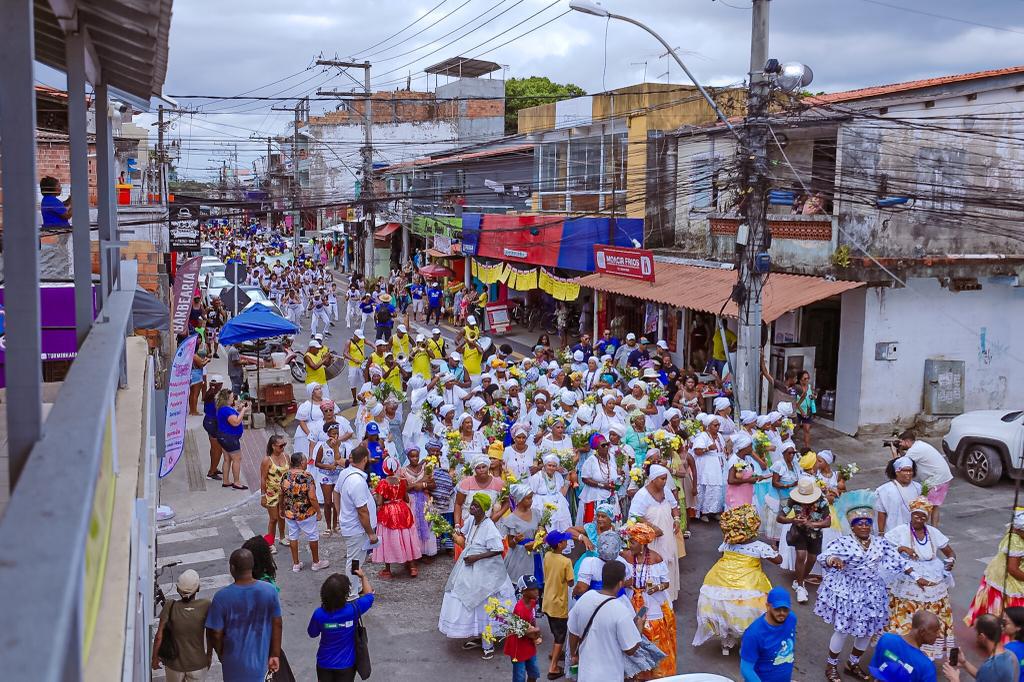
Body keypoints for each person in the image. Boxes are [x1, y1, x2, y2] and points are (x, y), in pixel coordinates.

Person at [816, 490, 927, 682]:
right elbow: (824, 556)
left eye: (868, 523)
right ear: (852, 526)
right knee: (842, 629)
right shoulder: (844, 542)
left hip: (872, 592)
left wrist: (917, 577)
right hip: (848, 590)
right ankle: (831, 666)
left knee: (868, 629)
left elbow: (897, 559)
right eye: (860, 523)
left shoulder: (879, 543)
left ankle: (852, 662)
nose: (865, 526)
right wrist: (833, 559)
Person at [694, 504, 782, 656]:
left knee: (726, 610)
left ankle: (726, 643)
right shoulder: (759, 546)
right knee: (752, 612)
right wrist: (773, 551)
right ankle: (748, 645)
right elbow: (778, 560)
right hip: (748, 584)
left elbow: (722, 553)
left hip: (719, 580)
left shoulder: (727, 544)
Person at [438, 492, 515, 660]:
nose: (471, 507)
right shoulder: (472, 521)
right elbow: (463, 536)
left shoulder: (489, 527)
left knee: (486, 602)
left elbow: (497, 549)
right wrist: (446, 528)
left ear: (483, 510)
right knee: (471, 601)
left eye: (475, 506)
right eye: (472, 504)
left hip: (486, 570)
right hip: (469, 566)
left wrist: (476, 557)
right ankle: (479, 635)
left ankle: (488, 643)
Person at [885, 497, 957, 660]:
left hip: (933, 577)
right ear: (911, 515)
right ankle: (902, 652)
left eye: (923, 517)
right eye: (916, 516)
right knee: (907, 617)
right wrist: (901, 548)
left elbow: (950, 552)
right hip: (907, 578)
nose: (919, 520)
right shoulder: (900, 531)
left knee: (931, 616)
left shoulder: (933, 532)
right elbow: (885, 549)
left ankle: (925, 653)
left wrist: (950, 562)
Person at [205, 548, 282, 682]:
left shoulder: (221, 598)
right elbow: (277, 624)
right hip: (260, 664)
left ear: (232, 568)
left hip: (233, 665)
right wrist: (275, 654)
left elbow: (216, 634)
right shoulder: (269, 591)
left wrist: (221, 653)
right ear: (252, 566)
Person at [567, 561, 642, 682]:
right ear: (621, 583)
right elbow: (630, 649)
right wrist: (639, 627)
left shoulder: (586, 598)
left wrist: (573, 654)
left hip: (586, 673)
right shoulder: (621, 611)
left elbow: (573, 631)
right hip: (610, 675)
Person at [623, 522, 676, 678]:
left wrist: (654, 589)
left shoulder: (655, 558)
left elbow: (666, 583)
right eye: (629, 541)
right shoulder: (626, 556)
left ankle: (654, 674)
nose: (629, 545)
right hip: (631, 600)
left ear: (642, 543)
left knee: (653, 635)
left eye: (632, 542)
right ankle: (635, 673)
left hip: (652, 603)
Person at [307, 570, 375, 682]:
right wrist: (363, 577)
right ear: (345, 594)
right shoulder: (353, 610)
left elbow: (312, 633)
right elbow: (369, 596)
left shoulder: (319, 614)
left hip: (324, 663)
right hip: (347, 665)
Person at [628, 464, 683, 601]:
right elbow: (633, 517)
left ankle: (669, 597)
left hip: (668, 536)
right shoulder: (641, 496)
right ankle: (653, 599)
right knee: (655, 567)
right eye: (662, 479)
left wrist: (676, 519)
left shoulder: (666, 491)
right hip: (651, 540)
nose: (665, 482)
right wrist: (651, 527)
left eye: (665, 479)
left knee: (669, 563)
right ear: (653, 479)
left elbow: (674, 506)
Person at [776, 477, 831, 604]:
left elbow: (828, 522)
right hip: (799, 532)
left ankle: (800, 579)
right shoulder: (792, 500)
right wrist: (792, 520)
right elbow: (779, 517)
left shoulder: (822, 501)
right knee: (801, 556)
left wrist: (813, 524)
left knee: (812, 558)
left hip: (815, 534)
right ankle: (800, 587)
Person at [966, 508, 1024, 626]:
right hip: (1008, 579)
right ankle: (996, 634)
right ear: (1019, 530)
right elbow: (1013, 569)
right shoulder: (1015, 541)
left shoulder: (1018, 533)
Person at [152, 569, 212, 681]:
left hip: (174, 666)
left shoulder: (169, 606)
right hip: (197, 665)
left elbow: (159, 636)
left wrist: (155, 658)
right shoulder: (206, 605)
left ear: (178, 589)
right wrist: (209, 655)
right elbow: (210, 634)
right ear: (198, 588)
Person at [371, 456, 423, 578]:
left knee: (387, 538)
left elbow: (379, 502)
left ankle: (388, 569)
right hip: (403, 510)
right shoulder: (402, 481)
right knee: (407, 537)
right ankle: (413, 567)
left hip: (388, 512)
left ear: (384, 468)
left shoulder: (382, 483)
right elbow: (406, 498)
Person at [337, 444, 379, 585]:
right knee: (354, 561)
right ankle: (352, 591)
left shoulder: (346, 474)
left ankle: (357, 587)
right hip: (357, 530)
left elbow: (336, 493)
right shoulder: (357, 481)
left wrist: (339, 514)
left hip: (352, 526)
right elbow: (362, 511)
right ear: (365, 459)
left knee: (355, 561)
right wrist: (371, 533)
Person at [281, 451, 329, 573]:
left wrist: (282, 509)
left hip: (290, 512)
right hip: (305, 512)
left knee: (293, 536)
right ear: (301, 462)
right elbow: (312, 497)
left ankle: (296, 564)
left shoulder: (285, 476)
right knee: (312, 535)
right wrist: (318, 511)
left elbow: (282, 494)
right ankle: (316, 562)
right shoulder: (307, 477)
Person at [739, 587, 797, 682]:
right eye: (777, 609)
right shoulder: (753, 634)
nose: (782, 613)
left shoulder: (791, 619)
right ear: (768, 606)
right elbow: (746, 669)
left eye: (785, 609)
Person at [897, 430, 954, 526]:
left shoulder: (914, 450)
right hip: (943, 477)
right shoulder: (920, 444)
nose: (900, 444)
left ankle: (924, 529)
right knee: (935, 506)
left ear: (907, 441)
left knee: (924, 507)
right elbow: (907, 459)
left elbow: (901, 464)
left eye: (901, 442)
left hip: (936, 480)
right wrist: (901, 450)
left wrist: (895, 451)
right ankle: (934, 529)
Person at [945, 614, 1021, 682]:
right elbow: (985, 677)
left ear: (982, 637)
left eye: (975, 630)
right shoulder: (1010, 655)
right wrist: (965, 663)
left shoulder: (991, 666)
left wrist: (955, 679)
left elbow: (988, 674)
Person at [869, 611, 941, 682]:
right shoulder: (926, 666)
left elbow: (874, 671)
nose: (938, 635)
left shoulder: (886, 639)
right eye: (935, 631)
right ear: (922, 632)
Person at [542, 530, 576, 680]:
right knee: (560, 636)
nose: (566, 542)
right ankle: (553, 667)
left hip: (547, 600)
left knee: (555, 631)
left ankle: (553, 653)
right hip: (559, 603)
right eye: (564, 540)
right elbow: (571, 582)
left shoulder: (547, 556)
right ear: (560, 544)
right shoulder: (566, 562)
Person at [504, 575, 544, 682]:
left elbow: (532, 618)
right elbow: (523, 631)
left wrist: (535, 631)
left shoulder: (532, 602)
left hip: (529, 645)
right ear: (523, 591)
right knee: (519, 677)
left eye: (537, 588)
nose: (537, 591)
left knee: (534, 673)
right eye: (532, 589)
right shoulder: (519, 609)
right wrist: (536, 631)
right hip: (518, 647)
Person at [877, 457, 923, 533]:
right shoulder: (884, 490)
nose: (908, 473)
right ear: (897, 472)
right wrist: (881, 533)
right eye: (905, 471)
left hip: (913, 531)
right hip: (892, 531)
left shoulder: (918, 487)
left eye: (910, 470)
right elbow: (881, 513)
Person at [259, 435, 290, 553]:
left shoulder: (286, 457)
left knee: (282, 516)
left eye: (284, 445)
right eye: (281, 445)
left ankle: (282, 537)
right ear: (273, 446)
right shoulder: (267, 460)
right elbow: (263, 478)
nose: (283, 448)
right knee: (273, 519)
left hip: (284, 493)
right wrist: (263, 496)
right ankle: (269, 542)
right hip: (272, 493)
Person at [216, 389, 251, 490]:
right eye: (232, 397)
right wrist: (243, 411)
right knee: (237, 459)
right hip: (230, 438)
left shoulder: (223, 408)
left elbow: (232, 415)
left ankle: (226, 481)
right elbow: (235, 422)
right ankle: (237, 482)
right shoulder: (226, 410)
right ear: (227, 399)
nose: (233, 399)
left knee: (227, 459)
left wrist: (238, 409)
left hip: (223, 437)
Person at [202, 376, 225, 481]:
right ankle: (211, 472)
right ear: (220, 385)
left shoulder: (209, 393)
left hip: (208, 421)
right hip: (213, 423)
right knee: (217, 449)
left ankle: (214, 468)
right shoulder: (216, 396)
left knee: (214, 447)